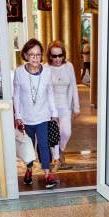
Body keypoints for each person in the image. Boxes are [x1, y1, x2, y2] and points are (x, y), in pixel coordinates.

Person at [13, 38, 58, 189]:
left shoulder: (47, 72)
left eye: (38, 55)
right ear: (25, 55)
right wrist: (17, 116)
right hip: (26, 118)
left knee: (44, 145)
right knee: (29, 146)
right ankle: (29, 170)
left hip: (43, 116)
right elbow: (16, 96)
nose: (35, 58)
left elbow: (50, 93)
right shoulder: (19, 72)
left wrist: (54, 113)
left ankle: (47, 174)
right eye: (31, 54)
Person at [46, 40, 80, 169]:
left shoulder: (69, 66)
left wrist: (76, 107)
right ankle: (57, 159)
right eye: (54, 56)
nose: (57, 59)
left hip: (65, 104)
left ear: (63, 55)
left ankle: (60, 150)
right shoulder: (46, 68)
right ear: (49, 56)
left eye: (60, 55)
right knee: (54, 133)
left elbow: (73, 87)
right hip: (51, 107)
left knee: (66, 132)